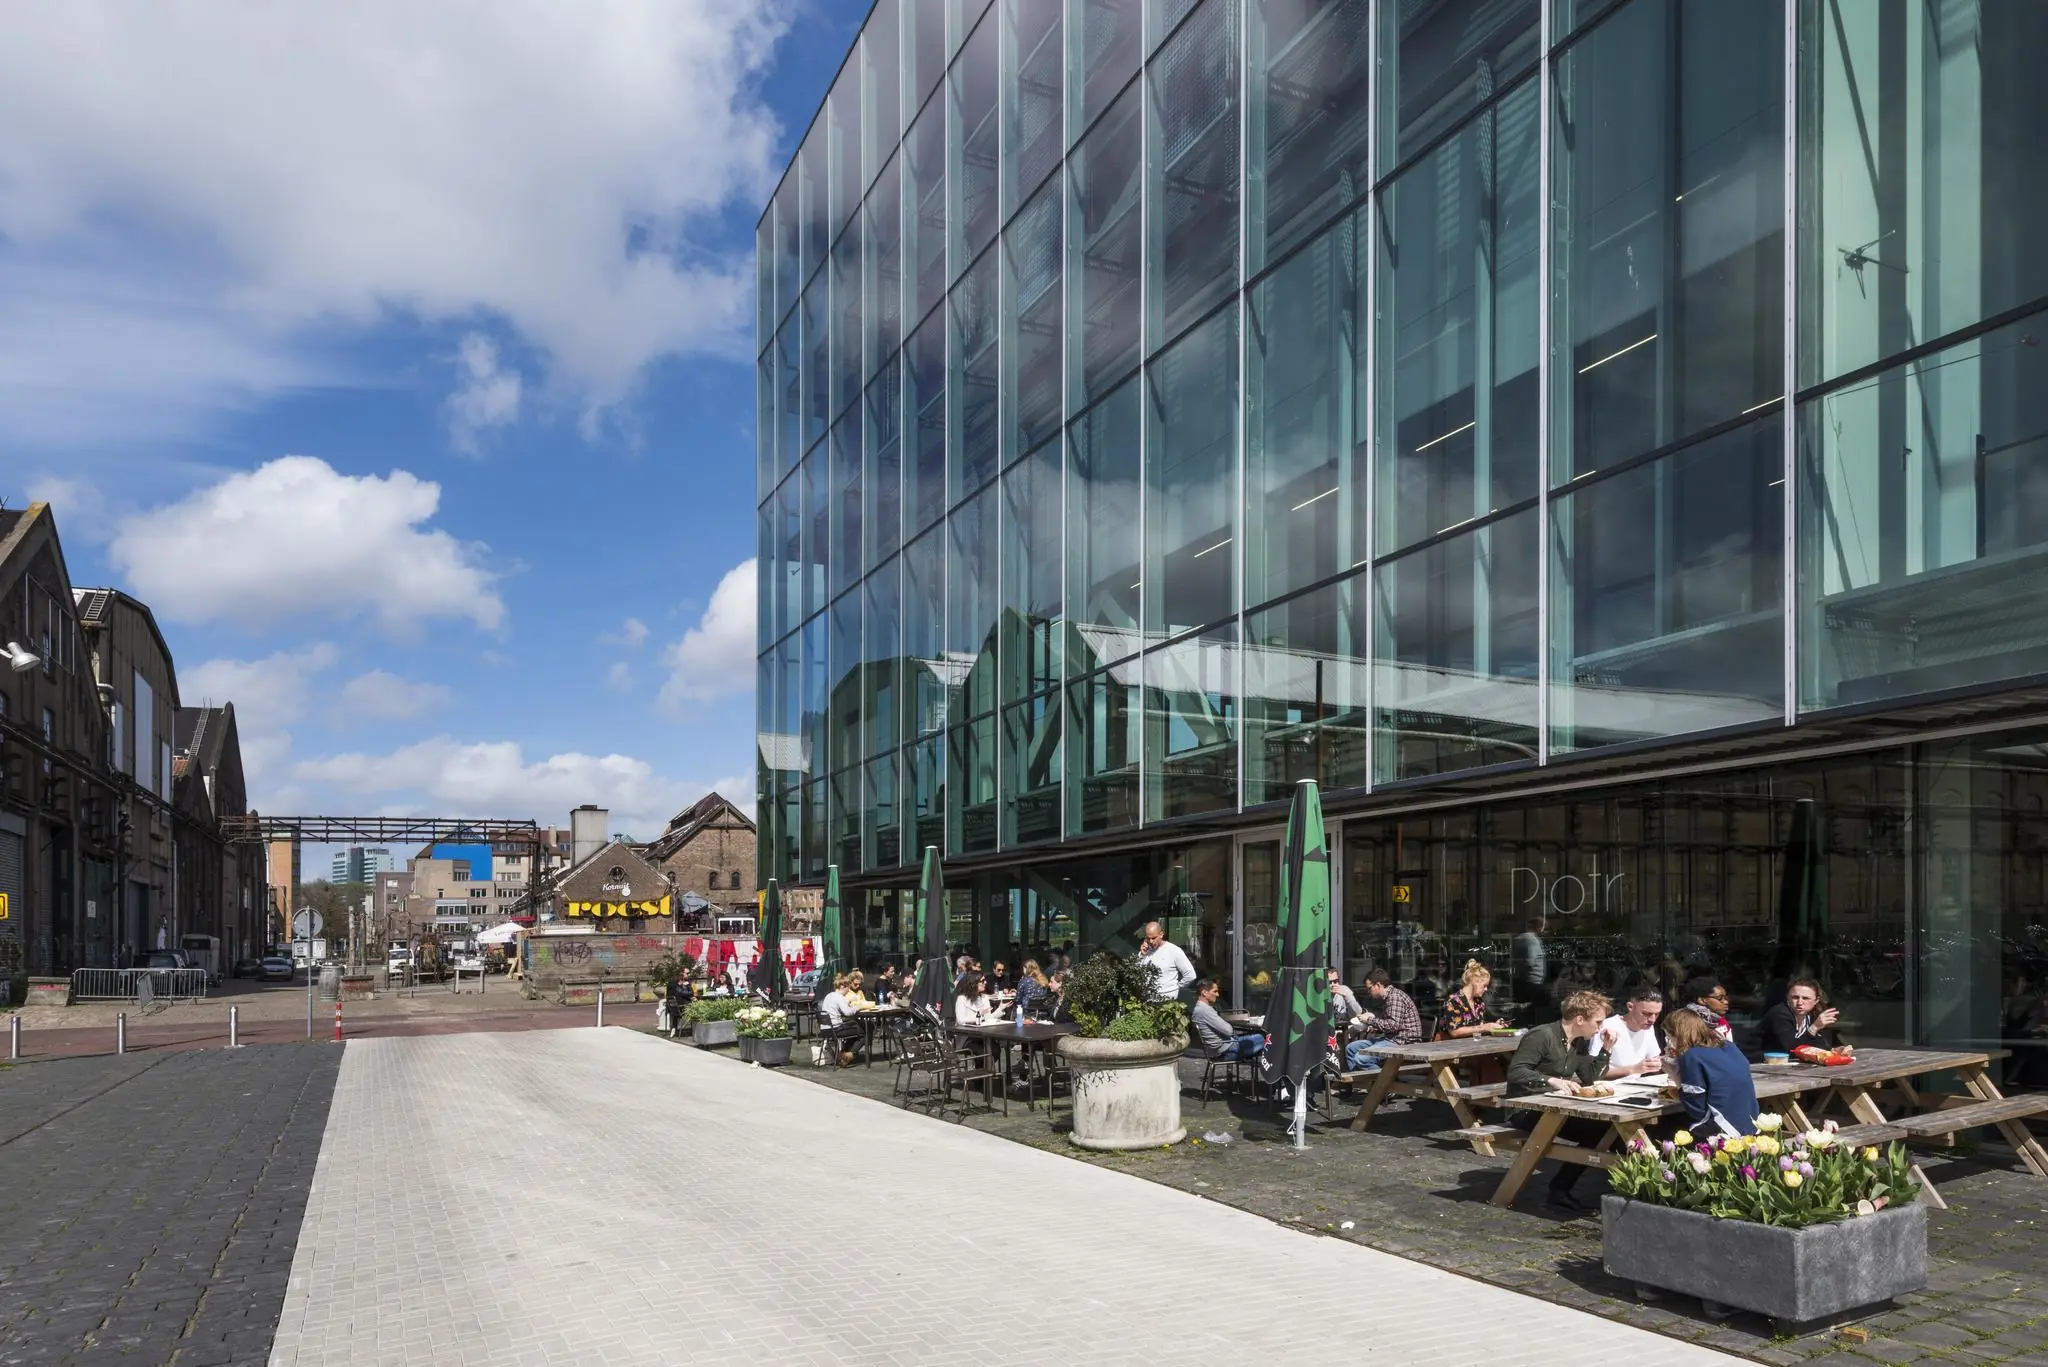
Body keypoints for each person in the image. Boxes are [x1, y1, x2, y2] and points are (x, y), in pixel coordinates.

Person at [1505, 990, 1614, 1212]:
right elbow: (1516, 1072)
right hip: (1524, 1109)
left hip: (1553, 1107)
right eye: (1598, 1021)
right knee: (1596, 1131)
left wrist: (1606, 1050)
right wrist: (1550, 1079)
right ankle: (1559, 1190)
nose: (1600, 1027)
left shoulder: (1578, 1042)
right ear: (1580, 1019)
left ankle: (1560, 1189)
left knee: (1602, 1130)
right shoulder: (1542, 1036)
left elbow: (1591, 1077)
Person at [1666, 1007, 1760, 1136]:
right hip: (1750, 1123)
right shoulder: (1729, 1046)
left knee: (1666, 1128)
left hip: (1723, 1129)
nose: (1670, 1043)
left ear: (1678, 1034)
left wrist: (1675, 1076)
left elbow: (1696, 1109)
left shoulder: (1692, 1056)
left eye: (1669, 1037)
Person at [1344, 969, 1425, 1071]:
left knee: (1362, 1059)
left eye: (1370, 988)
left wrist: (1369, 1020)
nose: (1369, 992)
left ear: (1378, 985)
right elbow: (1390, 1024)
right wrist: (1375, 1027)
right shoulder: (1388, 997)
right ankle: (1358, 1082)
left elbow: (1393, 1025)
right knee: (1351, 1048)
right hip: (1391, 1039)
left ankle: (1383, 1083)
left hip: (1402, 1042)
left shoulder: (1395, 997)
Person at [1593, 982, 1667, 1080]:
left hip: (1636, 1087)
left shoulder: (1648, 1028)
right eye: (1646, 1013)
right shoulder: (1607, 1026)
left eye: (1657, 1014)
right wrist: (1634, 1069)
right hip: (1609, 1088)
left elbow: (1654, 1061)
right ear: (1630, 1007)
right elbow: (1592, 1072)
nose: (1652, 1019)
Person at [1756, 977, 1840, 1056]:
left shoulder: (1809, 1016)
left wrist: (1833, 1051)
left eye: (1805, 998)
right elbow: (1791, 1049)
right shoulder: (1780, 1014)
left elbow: (1816, 1044)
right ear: (1787, 998)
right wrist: (1814, 1028)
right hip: (1755, 1064)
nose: (1800, 1002)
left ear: (1816, 1000)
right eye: (1795, 997)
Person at [1436, 960, 1510, 1040]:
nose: (1486, 989)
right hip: (1451, 1047)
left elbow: (1479, 1025)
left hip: (1473, 1045)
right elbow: (1454, 1032)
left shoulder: (1478, 1002)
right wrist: (1485, 1027)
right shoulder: (1453, 1001)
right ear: (1474, 982)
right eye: (1484, 985)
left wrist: (1495, 1025)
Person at [1191, 979, 1262, 1061]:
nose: (1217, 995)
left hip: (1222, 1048)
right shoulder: (1205, 1010)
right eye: (1215, 991)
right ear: (1204, 992)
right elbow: (1228, 1031)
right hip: (1228, 1051)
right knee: (1265, 1037)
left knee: (1259, 1042)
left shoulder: (1198, 1009)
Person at [1138, 921, 1196, 1003]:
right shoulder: (1145, 951)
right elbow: (1136, 973)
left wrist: (1176, 988)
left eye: (1154, 938)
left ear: (1161, 934)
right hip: (1147, 1001)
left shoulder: (1173, 950)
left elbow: (1190, 975)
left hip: (1168, 1002)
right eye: (1148, 938)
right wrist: (1142, 955)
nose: (1151, 941)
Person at [1511, 912, 1552, 1025]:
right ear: (1538, 927)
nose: (1546, 931)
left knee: (1525, 1008)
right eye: (1545, 928)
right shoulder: (1532, 940)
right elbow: (1531, 960)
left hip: (1524, 979)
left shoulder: (1519, 939)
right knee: (1536, 1009)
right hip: (1533, 980)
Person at [819, 973, 861, 1067]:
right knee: (863, 1030)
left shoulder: (829, 995)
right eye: (848, 988)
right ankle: (849, 1055)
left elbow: (837, 1006)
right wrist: (858, 1007)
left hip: (825, 1029)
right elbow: (848, 1013)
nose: (848, 990)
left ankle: (842, 1053)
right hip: (836, 1029)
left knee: (854, 1028)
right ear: (842, 986)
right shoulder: (839, 997)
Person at [1676, 975, 1734, 1042]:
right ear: (1702, 1000)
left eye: (1726, 998)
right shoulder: (1684, 1022)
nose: (1726, 1002)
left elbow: (1730, 1048)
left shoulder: (1721, 1022)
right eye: (1720, 998)